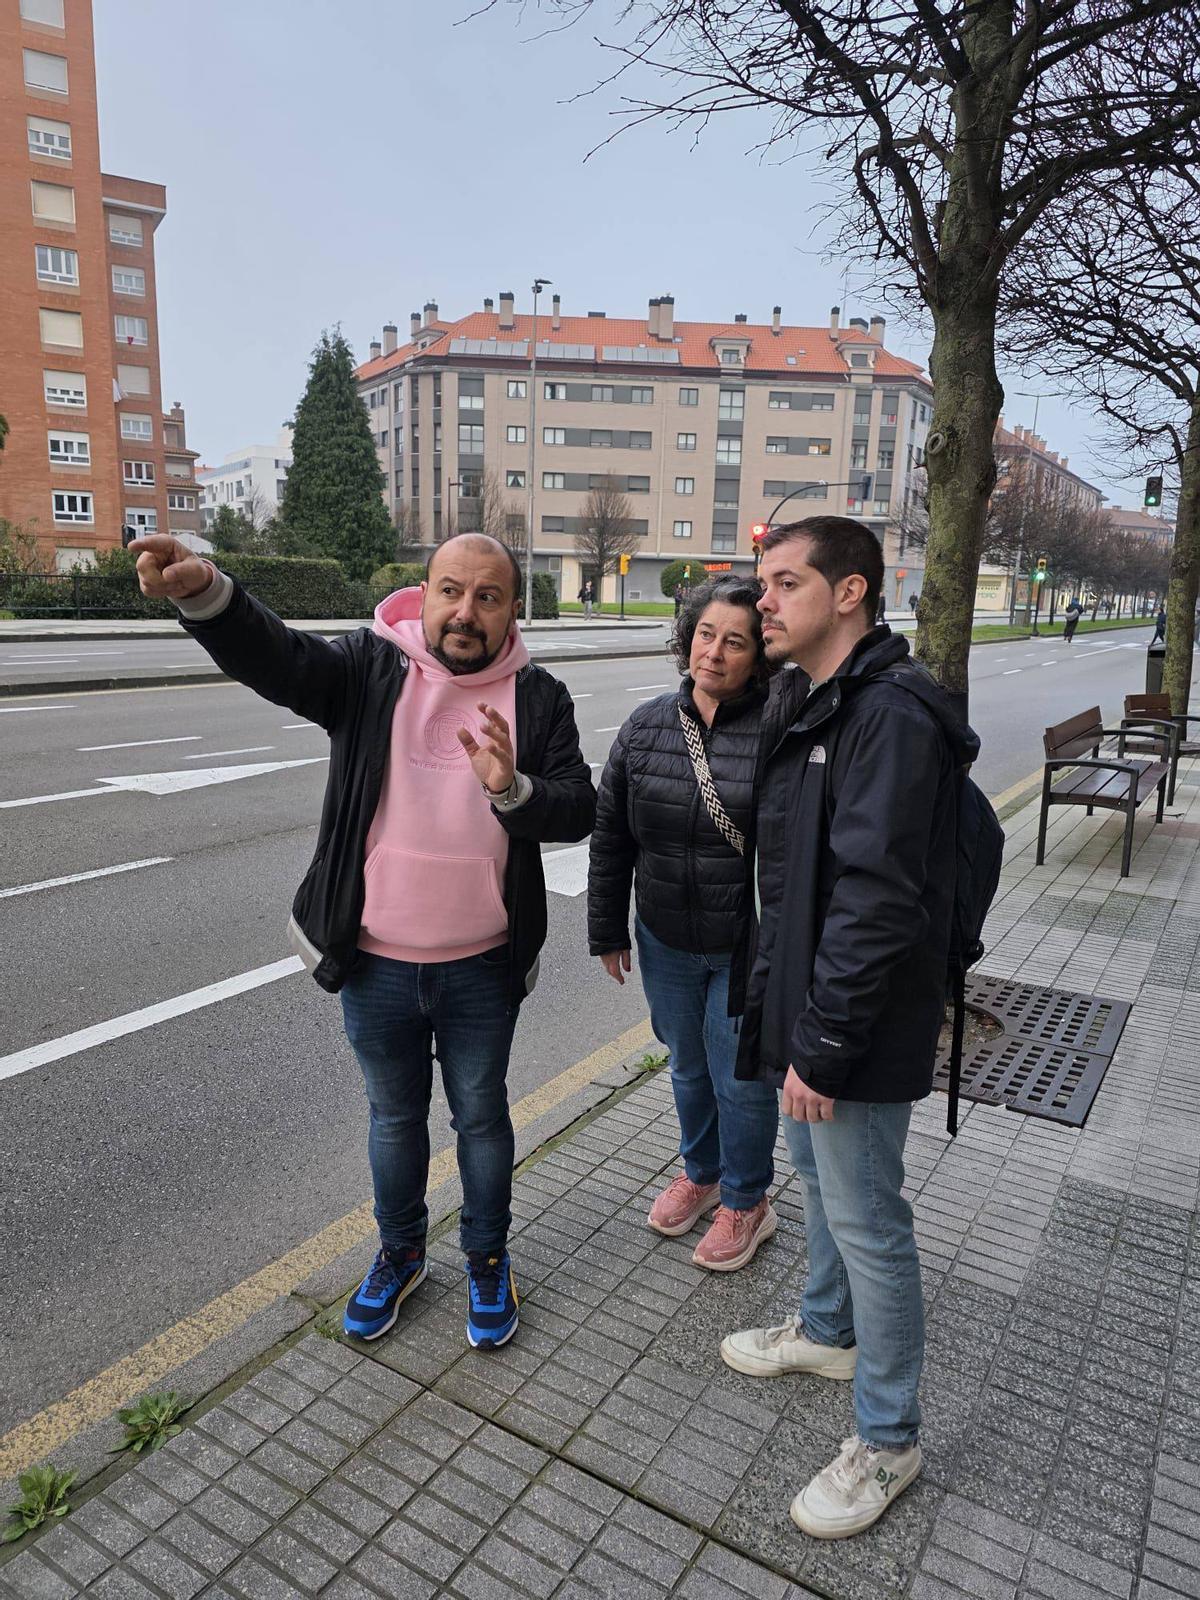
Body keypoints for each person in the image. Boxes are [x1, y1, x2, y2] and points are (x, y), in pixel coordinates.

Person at [130, 531, 595, 1351]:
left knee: (482, 1120)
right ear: (424, 595)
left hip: (483, 964)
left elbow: (577, 808)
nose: (466, 611)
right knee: (392, 1117)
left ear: (512, 608)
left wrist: (511, 788)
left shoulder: (539, 698)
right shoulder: (371, 669)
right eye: (451, 590)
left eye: (488, 596)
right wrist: (205, 590)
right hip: (376, 958)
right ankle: (401, 1251)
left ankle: (487, 1257)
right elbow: (281, 661)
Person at [719, 516, 978, 1540]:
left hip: (853, 1023)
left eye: (784, 584)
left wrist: (821, 1044)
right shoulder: (817, 696)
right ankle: (826, 1331)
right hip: (807, 1003)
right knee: (820, 1187)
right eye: (761, 581)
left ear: (853, 592)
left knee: (872, 1222)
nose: (761, 601)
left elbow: (876, 899)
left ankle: (888, 1436)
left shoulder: (892, 716)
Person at [588, 578, 779, 1271]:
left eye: (735, 641)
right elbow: (611, 834)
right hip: (664, 938)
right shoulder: (645, 727)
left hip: (743, 945)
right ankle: (701, 1173)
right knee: (687, 1066)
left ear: (758, 655)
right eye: (706, 634)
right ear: (687, 637)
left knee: (740, 1079)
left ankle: (748, 1199)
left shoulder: (781, 726)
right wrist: (607, 927)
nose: (716, 652)